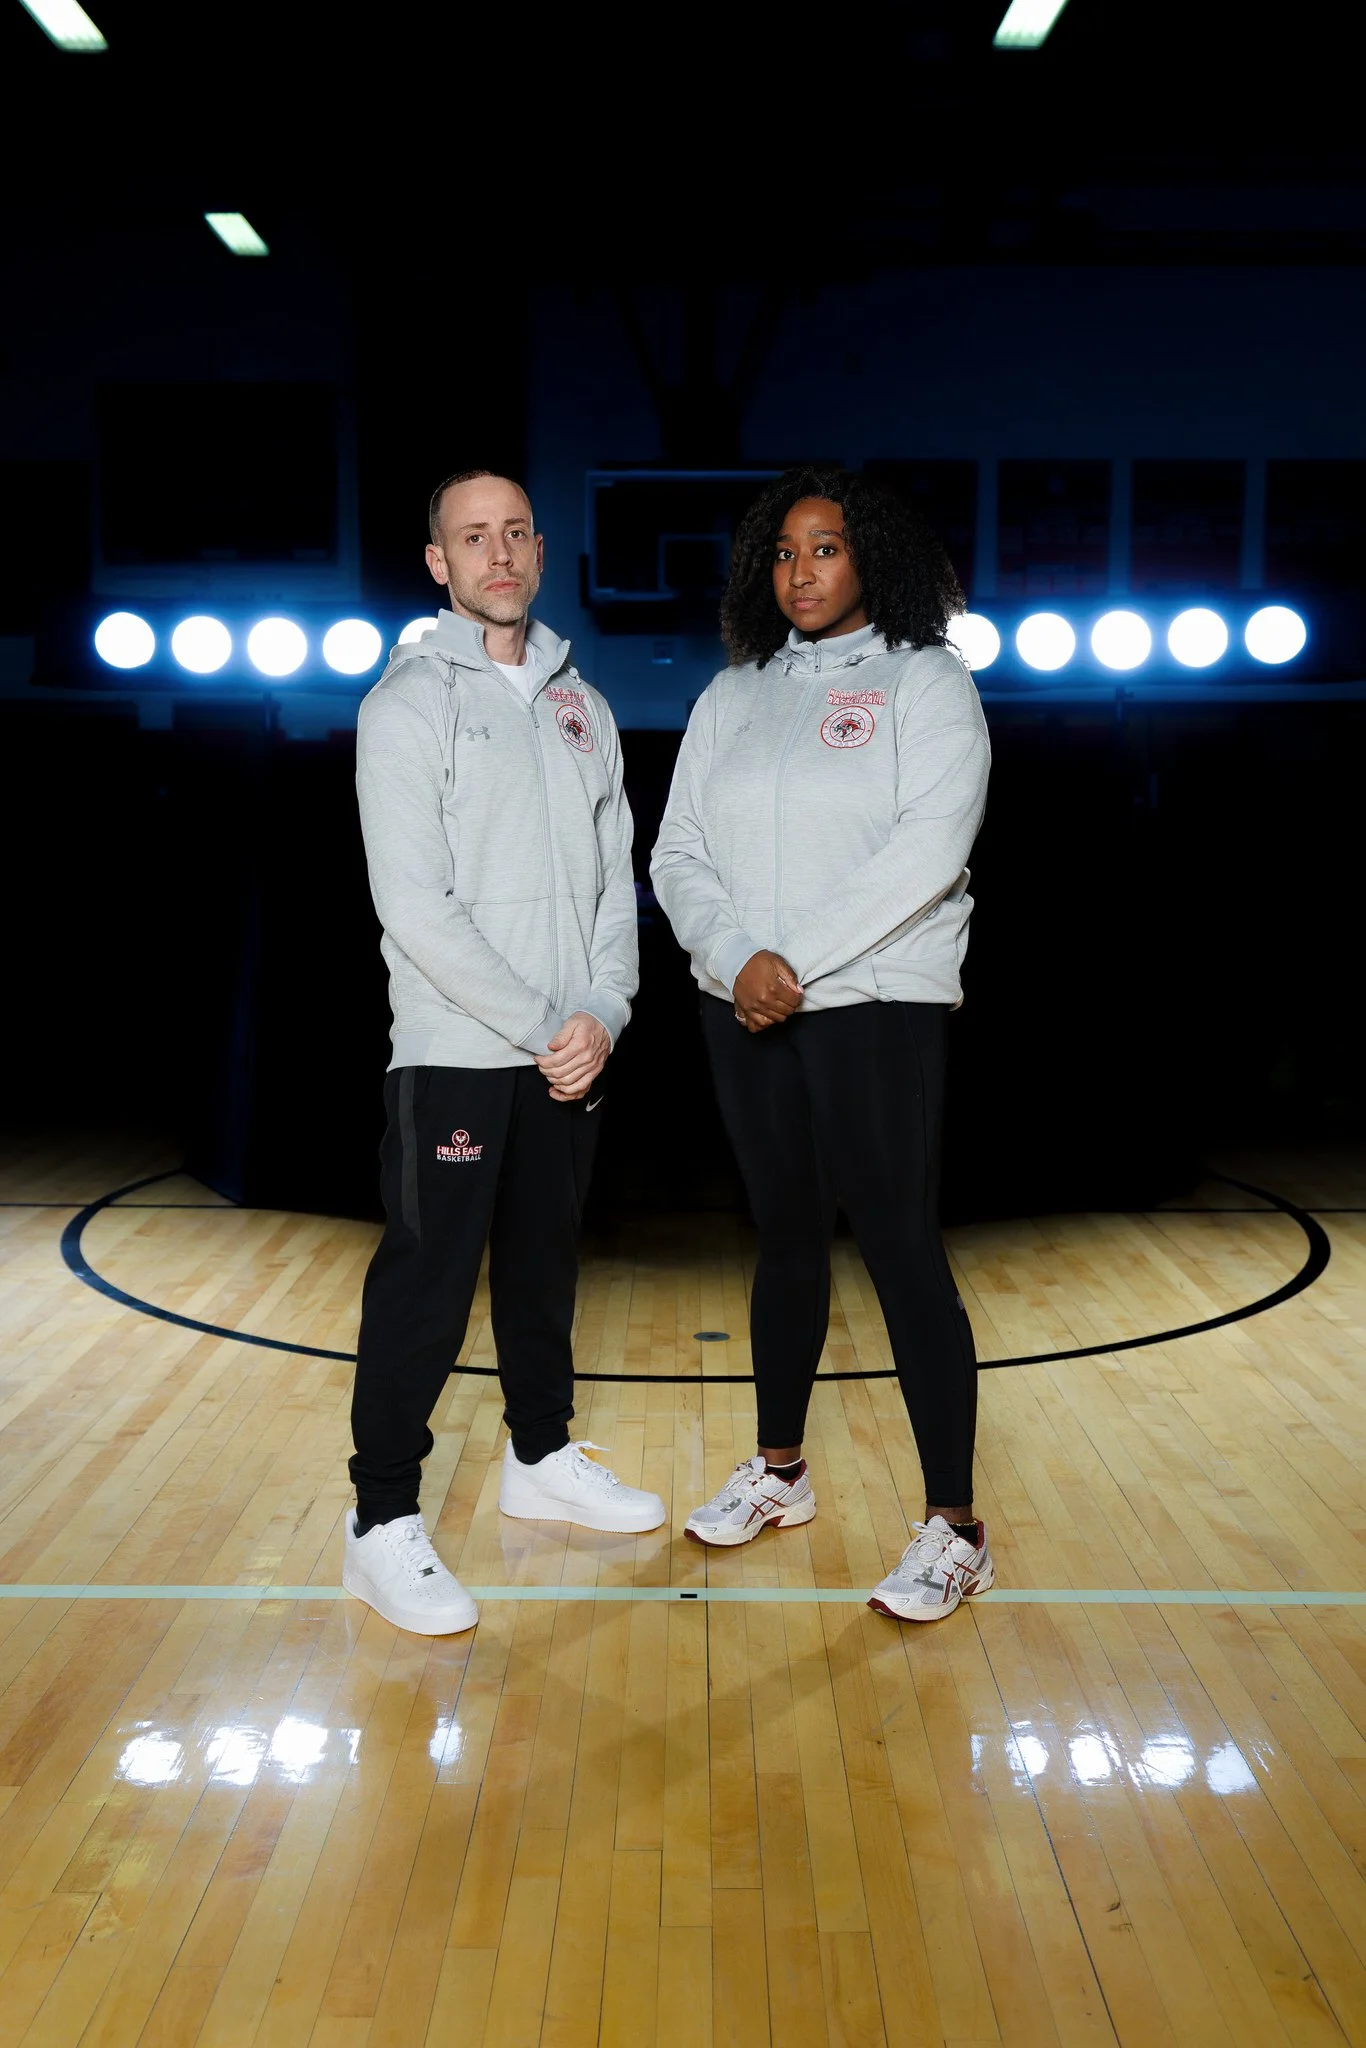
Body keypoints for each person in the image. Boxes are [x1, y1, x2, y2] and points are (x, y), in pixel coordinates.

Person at [650, 465, 992, 1622]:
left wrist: (790, 962)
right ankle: (780, 1469)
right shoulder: (731, 693)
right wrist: (736, 956)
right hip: (741, 1003)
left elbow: (928, 848)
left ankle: (955, 1527)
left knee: (899, 1248)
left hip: (874, 1004)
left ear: (872, 557)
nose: (800, 571)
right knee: (785, 1239)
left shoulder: (926, 680)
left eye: (826, 547)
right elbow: (676, 849)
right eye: (784, 552)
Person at [344, 469, 664, 1637]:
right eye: (472, 536)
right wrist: (543, 1025)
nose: (499, 553)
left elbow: (614, 884)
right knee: (428, 1284)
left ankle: (538, 1456)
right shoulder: (406, 703)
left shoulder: (583, 702)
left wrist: (603, 1011)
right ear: (439, 562)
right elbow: (415, 906)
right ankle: (380, 1520)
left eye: (516, 531)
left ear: (538, 547)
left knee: (543, 1265)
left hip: (568, 1046)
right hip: (458, 1047)